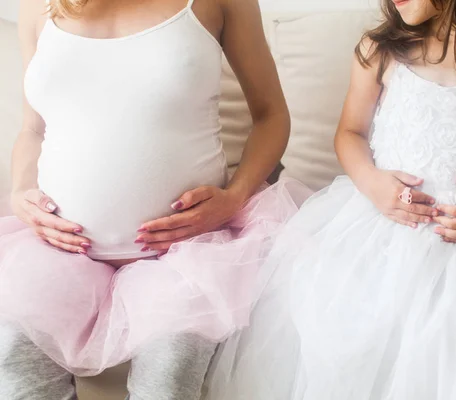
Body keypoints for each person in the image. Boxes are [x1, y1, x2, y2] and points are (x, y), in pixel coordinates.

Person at [205, 0, 456, 398]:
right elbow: (349, 133)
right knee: (348, 318)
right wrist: (375, 185)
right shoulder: (379, 51)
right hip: (385, 228)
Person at [0, 0, 310, 398]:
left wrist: (235, 196)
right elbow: (32, 129)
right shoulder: (38, 6)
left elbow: (271, 115)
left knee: (167, 381)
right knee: (16, 365)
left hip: (185, 257)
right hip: (58, 251)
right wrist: (20, 191)